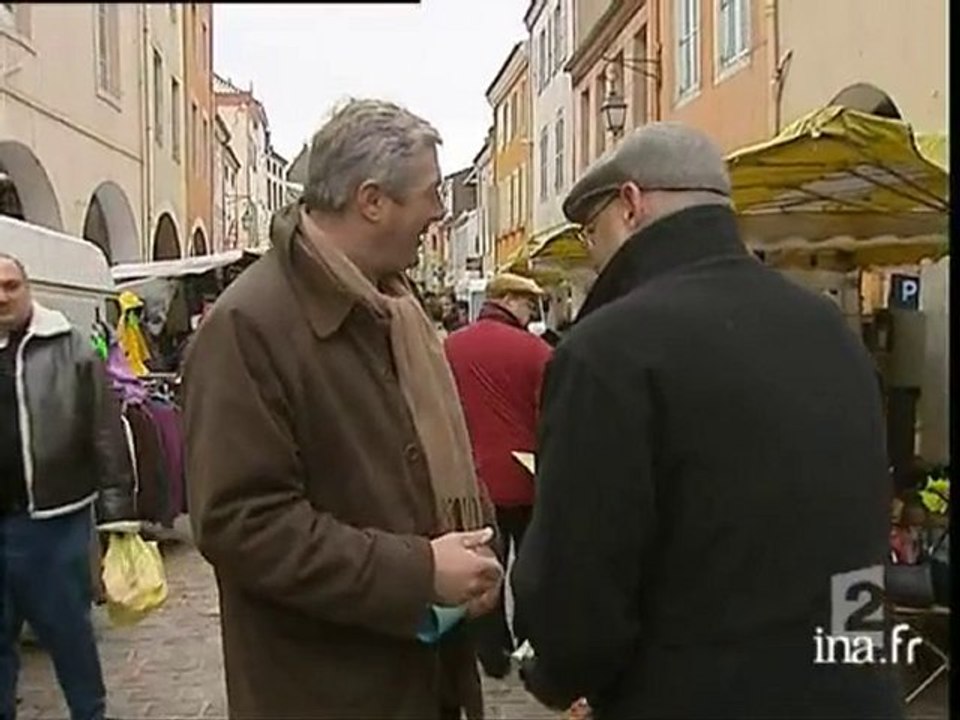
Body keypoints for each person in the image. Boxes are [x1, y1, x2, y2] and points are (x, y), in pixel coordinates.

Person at [511, 123, 901, 719]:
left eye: (591, 233)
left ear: (631, 205)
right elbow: (865, 528)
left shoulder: (609, 349)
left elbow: (580, 580)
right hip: (849, 691)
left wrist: (562, 674)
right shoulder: (833, 335)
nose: (592, 256)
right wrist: (855, 664)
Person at [182, 99, 504, 720]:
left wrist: (464, 564)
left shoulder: (392, 309)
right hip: (327, 689)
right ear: (373, 200)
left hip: (417, 674)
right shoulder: (248, 326)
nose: (441, 212)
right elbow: (242, 524)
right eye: (432, 194)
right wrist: (420, 572)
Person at [0, 253, 138, 720]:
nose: (2, 296)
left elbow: (104, 430)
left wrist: (119, 514)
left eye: (11, 285)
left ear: (28, 288)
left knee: (70, 638)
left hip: (55, 524)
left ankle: (90, 713)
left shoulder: (69, 346)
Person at [444, 273, 552, 678]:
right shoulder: (536, 350)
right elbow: (550, 415)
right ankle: (530, 642)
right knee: (531, 568)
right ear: (507, 299)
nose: (530, 312)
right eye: (527, 303)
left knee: (484, 567)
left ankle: (490, 651)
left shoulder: (451, 347)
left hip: (469, 478)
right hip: (527, 478)